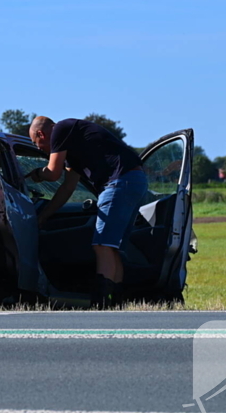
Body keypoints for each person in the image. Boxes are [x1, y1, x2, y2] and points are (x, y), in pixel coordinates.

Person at [27, 116, 147, 309]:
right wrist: (44, 216)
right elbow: (67, 187)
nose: (39, 148)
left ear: (41, 133)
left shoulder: (60, 129)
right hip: (134, 180)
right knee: (111, 247)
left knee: (101, 245)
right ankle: (115, 302)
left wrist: (36, 175)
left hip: (118, 182)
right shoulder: (74, 144)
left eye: (37, 143)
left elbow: (53, 172)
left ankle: (101, 303)